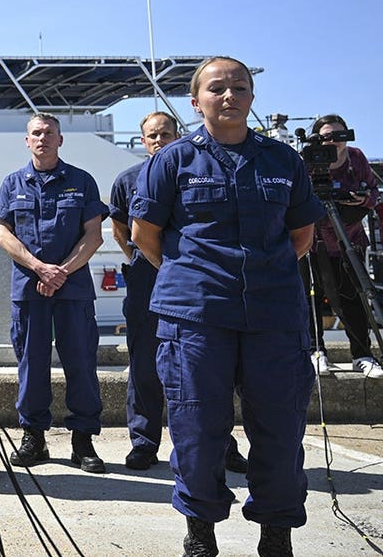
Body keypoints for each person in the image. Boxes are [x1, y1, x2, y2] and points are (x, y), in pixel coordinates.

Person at [130, 57, 324, 556]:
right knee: (197, 430)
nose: (230, 95)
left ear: (252, 98)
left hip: (274, 317)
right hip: (196, 318)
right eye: (217, 88)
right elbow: (144, 236)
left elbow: (302, 234)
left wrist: (260, 275)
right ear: (196, 102)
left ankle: (276, 536)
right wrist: (196, 277)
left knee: (280, 429)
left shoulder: (284, 161)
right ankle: (201, 537)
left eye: (240, 86)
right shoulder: (170, 161)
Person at [110, 114, 250, 474]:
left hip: (196, 283)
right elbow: (122, 231)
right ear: (143, 141)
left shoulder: (199, 171)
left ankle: (222, 445)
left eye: (165, 134)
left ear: (178, 135)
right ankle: (144, 443)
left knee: (207, 366)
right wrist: (159, 265)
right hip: (146, 278)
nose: (159, 140)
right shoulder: (127, 180)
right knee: (144, 363)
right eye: (152, 135)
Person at [0, 113, 108, 474]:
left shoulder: (82, 182)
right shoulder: (12, 184)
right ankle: (34, 438)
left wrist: (60, 272)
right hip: (30, 288)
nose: (42, 138)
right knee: (31, 364)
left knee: (81, 364)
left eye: (49, 133)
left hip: (72, 289)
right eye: (36, 134)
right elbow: (4, 236)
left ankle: (83, 442)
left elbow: (93, 236)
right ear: (27, 141)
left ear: (60, 140)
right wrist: (40, 268)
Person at [306, 114, 382, 379]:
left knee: (353, 298)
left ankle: (363, 354)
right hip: (313, 242)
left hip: (348, 239)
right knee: (310, 299)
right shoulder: (307, 160)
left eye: (340, 136)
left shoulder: (356, 158)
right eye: (327, 136)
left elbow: (374, 192)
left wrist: (362, 199)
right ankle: (316, 351)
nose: (334, 142)